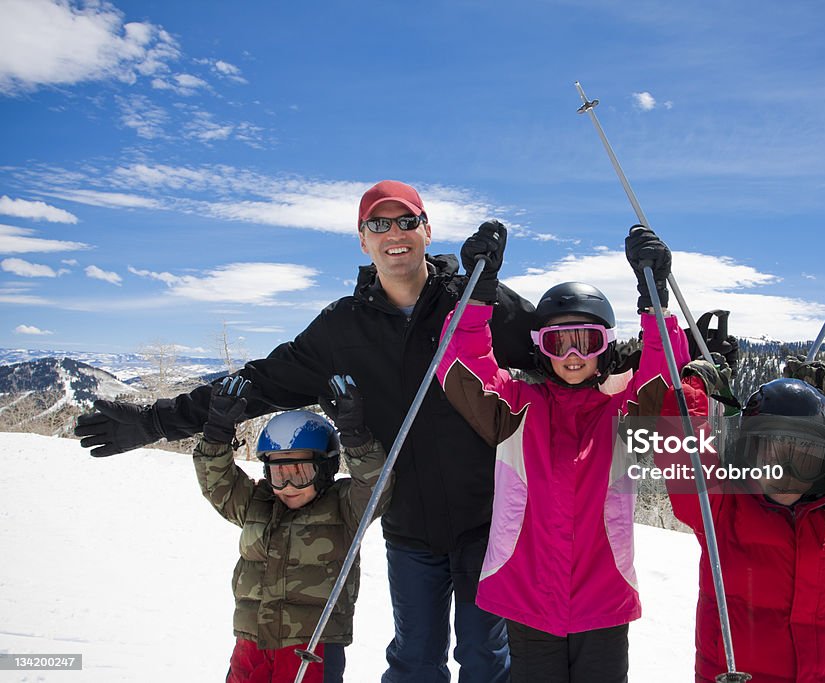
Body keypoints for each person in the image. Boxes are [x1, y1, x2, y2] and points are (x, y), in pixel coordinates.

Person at [74, 180, 539, 683]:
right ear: (363, 240)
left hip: (491, 522)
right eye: (377, 225)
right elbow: (258, 383)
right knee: (415, 661)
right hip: (409, 528)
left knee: (486, 659)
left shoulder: (476, 302)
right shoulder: (343, 328)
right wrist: (154, 421)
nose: (393, 233)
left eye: (405, 221)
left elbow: (568, 356)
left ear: (427, 230)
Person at [435, 224, 688, 682]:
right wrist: (478, 296)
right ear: (541, 351)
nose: (573, 355)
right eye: (557, 342)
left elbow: (665, 374)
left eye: (587, 341)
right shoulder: (515, 409)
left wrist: (654, 304)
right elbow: (460, 366)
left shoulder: (620, 415)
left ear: (605, 347)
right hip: (528, 597)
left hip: (603, 599)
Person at [661, 356, 825, 683]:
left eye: (805, 457)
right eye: (771, 456)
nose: (786, 474)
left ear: (823, 464)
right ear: (749, 454)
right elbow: (682, 447)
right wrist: (695, 386)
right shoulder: (722, 510)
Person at [194, 374, 391, 683]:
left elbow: (374, 484)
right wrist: (217, 433)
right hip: (252, 641)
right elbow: (217, 483)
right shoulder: (255, 503)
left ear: (325, 469)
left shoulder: (345, 509)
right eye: (278, 474)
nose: (287, 486)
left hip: (312, 646)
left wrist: (355, 437)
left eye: (299, 473)